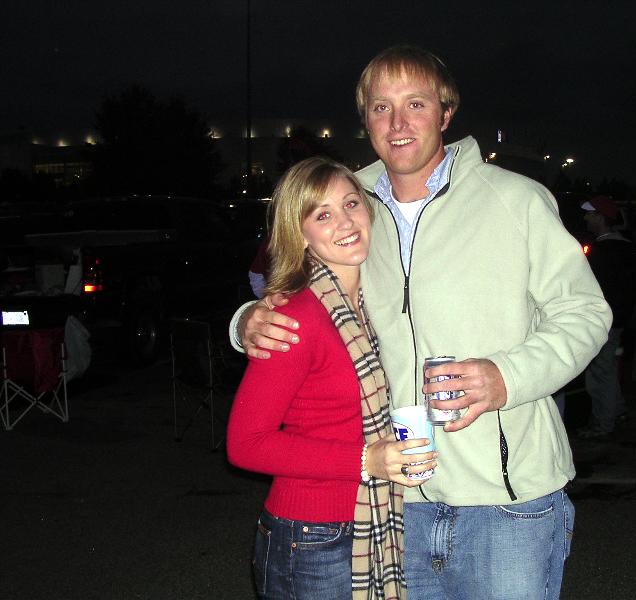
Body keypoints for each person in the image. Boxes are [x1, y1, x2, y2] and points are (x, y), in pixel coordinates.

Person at [230, 46, 612, 600]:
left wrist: (507, 377)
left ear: (446, 113)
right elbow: (299, 287)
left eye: (416, 104)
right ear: (365, 120)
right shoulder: (353, 203)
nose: (398, 123)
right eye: (381, 107)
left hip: (506, 501)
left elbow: (586, 311)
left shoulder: (517, 200)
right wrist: (247, 320)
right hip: (395, 503)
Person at [226, 157, 437, 600]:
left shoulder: (375, 306)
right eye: (322, 215)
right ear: (300, 234)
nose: (344, 222)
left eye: (351, 204)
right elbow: (245, 444)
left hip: (368, 518)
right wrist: (365, 461)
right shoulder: (295, 316)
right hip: (311, 537)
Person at [577, 196, 636, 439]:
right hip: (618, 318)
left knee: (600, 373)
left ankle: (602, 424)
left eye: (590, 214)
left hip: (603, 321)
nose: (586, 218)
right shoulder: (625, 247)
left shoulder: (604, 251)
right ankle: (617, 411)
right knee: (608, 369)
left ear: (601, 218)